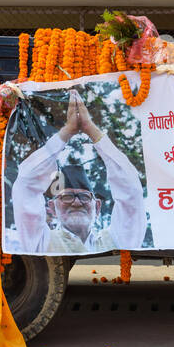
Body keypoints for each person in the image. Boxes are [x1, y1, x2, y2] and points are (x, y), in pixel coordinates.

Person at [10, 90, 146, 254]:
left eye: (84, 196)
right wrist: (67, 132)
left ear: (97, 206)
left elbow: (132, 192)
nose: (75, 203)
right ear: (52, 208)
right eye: (66, 197)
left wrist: (91, 129)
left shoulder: (118, 240)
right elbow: (25, 183)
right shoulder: (40, 242)